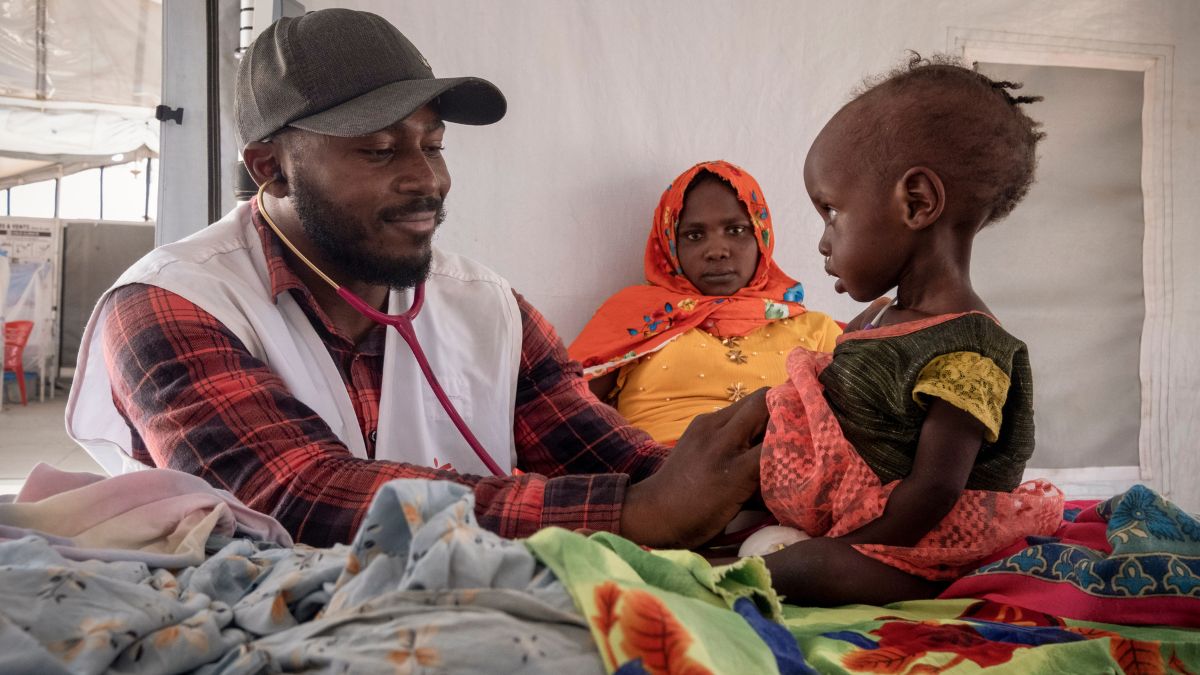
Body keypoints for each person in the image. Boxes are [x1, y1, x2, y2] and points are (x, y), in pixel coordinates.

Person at [65, 8, 765, 550]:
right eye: (379, 151)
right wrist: (633, 513)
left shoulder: (488, 308)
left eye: (433, 142)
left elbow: (617, 457)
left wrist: (763, 481)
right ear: (269, 167)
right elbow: (291, 497)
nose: (427, 180)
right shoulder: (171, 303)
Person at [754, 55, 1065, 606]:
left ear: (916, 202)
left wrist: (852, 546)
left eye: (831, 212)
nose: (825, 241)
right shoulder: (877, 316)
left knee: (805, 569)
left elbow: (934, 492)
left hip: (920, 539)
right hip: (855, 506)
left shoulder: (970, 348)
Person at [569, 161, 841, 444]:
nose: (716, 251)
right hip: (659, 480)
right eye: (694, 235)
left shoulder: (816, 330)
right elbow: (558, 414)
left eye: (735, 230)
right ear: (670, 243)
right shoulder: (635, 317)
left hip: (787, 478)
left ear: (761, 235)